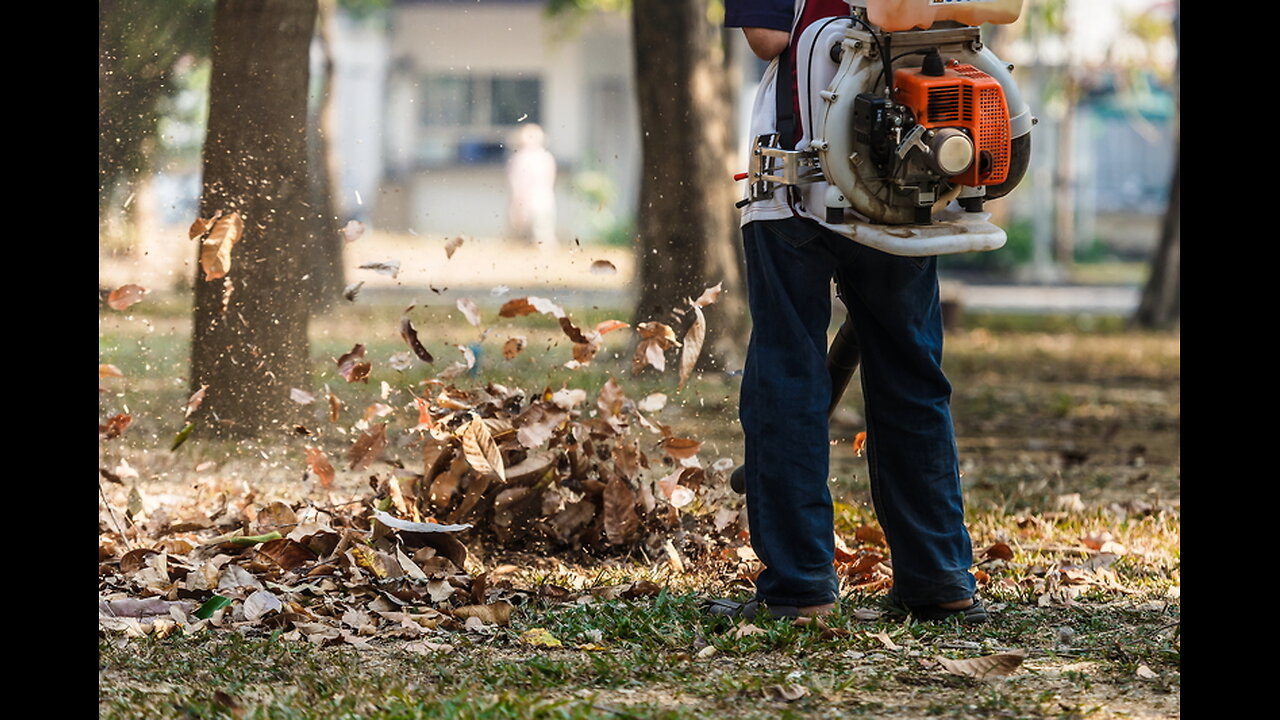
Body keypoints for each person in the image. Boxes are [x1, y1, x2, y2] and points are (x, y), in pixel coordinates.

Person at [711, 0, 986, 623]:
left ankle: (801, 587)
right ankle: (939, 579)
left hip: (798, 175)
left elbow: (766, 37)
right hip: (907, 168)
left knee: (788, 373)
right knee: (910, 372)